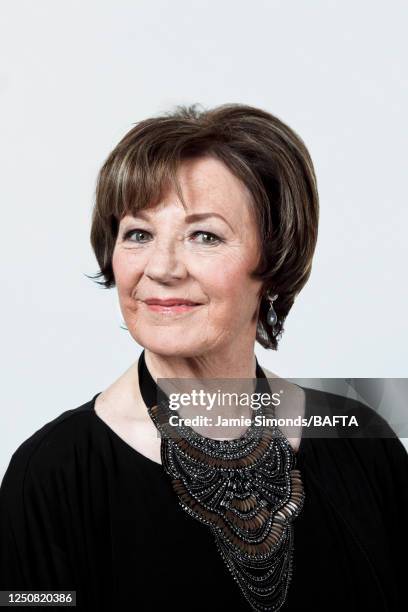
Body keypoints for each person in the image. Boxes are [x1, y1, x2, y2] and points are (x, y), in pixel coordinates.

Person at [0, 103, 406, 612]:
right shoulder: (52, 472)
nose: (162, 268)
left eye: (205, 236)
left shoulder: (360, 435)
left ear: (275, 260)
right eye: (139, 234)